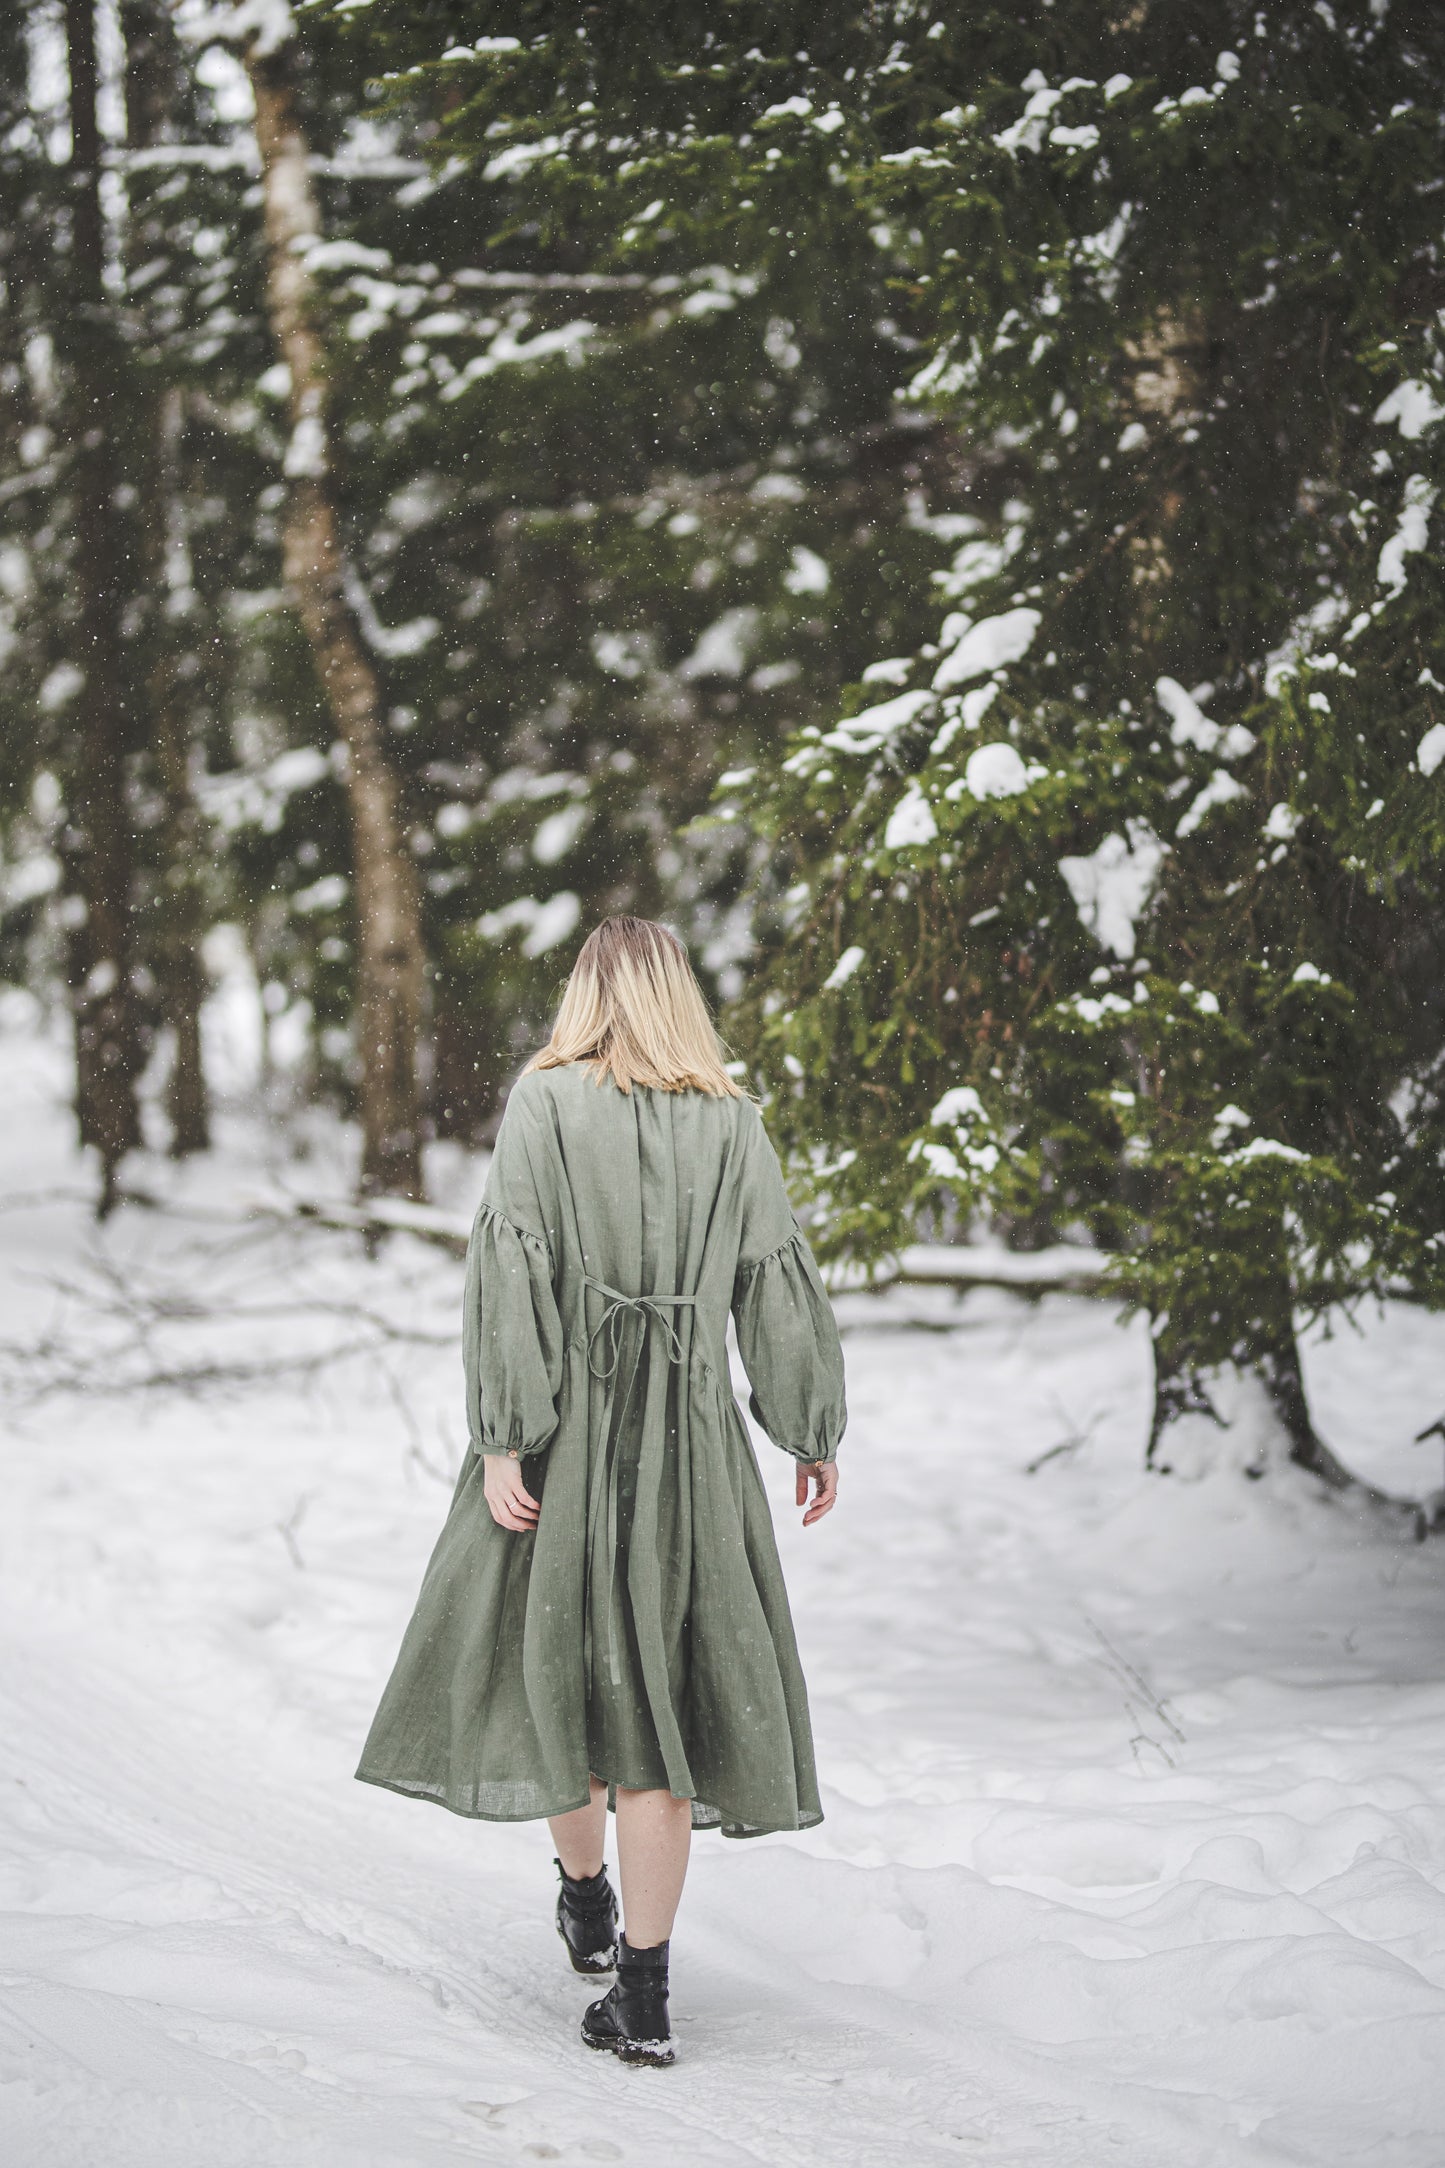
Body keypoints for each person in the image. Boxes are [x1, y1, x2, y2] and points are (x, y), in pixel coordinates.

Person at [356, 916, 846, 2065]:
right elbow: (772, 1278)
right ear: (680, 992)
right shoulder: (732, 1118)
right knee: (659, 1710)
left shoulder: (545, 1101)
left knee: (560, 1675)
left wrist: (504, 1435)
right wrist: (807, 1428)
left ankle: (583, 1890)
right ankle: (645, 1987)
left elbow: (512, 1259)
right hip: (688, 1442)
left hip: (569, 1434)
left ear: (584, 993)